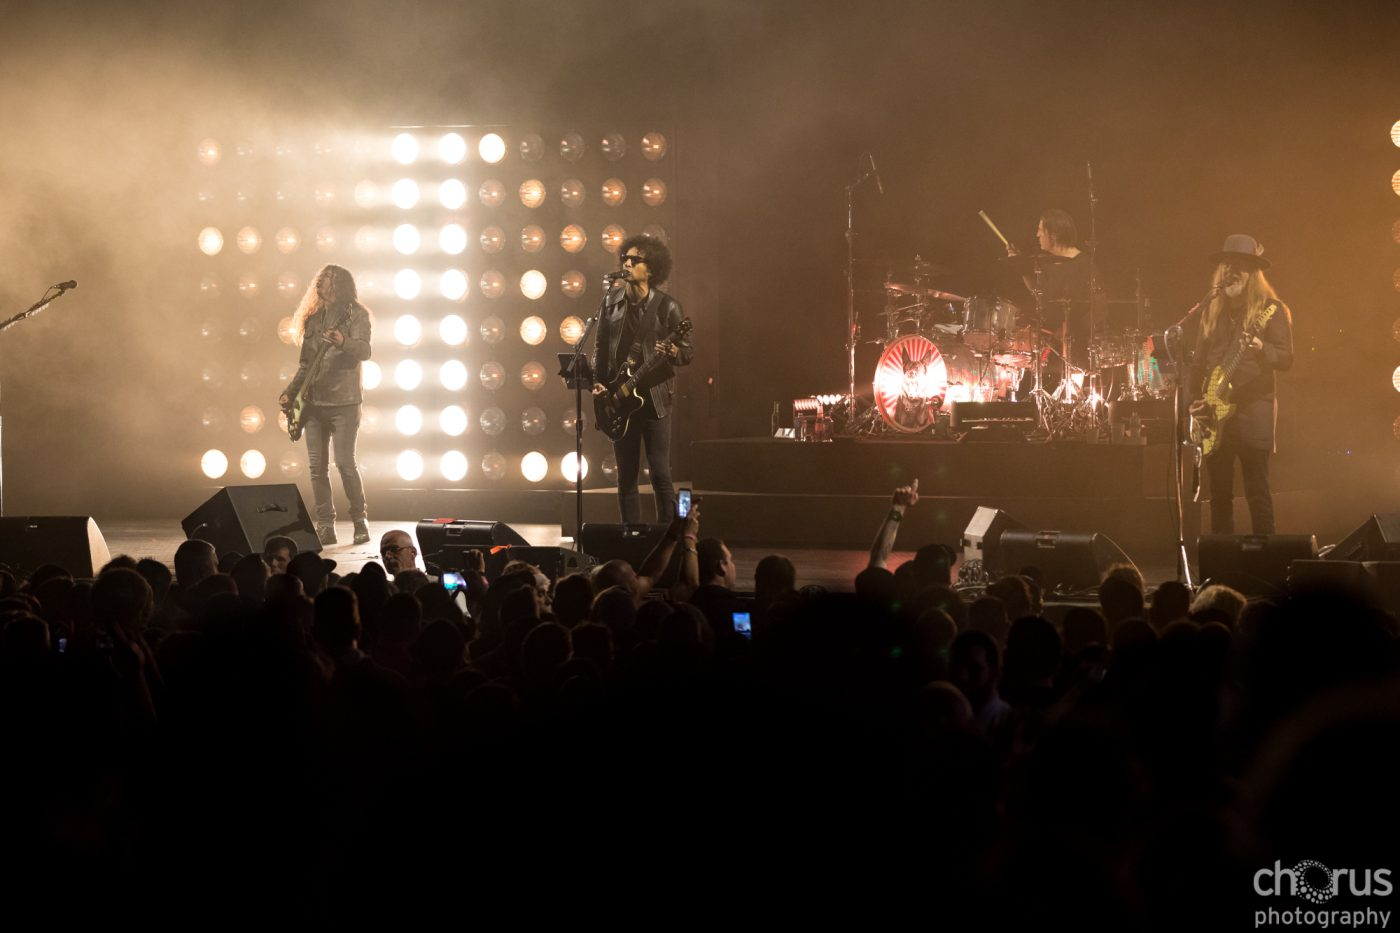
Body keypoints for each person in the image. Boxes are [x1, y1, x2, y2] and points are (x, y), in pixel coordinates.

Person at [1185, 234, 1293, 535]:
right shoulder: (1212, 310)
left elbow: (1286, 359)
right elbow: (1198, 364)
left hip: (1252, 413)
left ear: (1253, 274)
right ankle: (1222, 567)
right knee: (1219, 496)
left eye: (1240, 267)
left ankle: (1266, 567)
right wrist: (1193, 400)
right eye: (1227, 265)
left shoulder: (1271, 310)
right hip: (1213, 417)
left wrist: (1262, 348)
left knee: (1257, 492)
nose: (1231, 271)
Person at [592, 235, 692, 524]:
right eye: (626, 257)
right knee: (626, 475)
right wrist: (599, 384)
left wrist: (673, 350)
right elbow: (600, 347)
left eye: (636, 259)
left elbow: (688, 351)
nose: (628, 262)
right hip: (620, 397)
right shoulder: (611, 303)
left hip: (654, 399)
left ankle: (667, 537)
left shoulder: (667, 307)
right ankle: (630, 538)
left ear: (651, 269)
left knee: (660, 472)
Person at [279, 264, 373, 546]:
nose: (321, 283)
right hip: (314, 403)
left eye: (327, 279)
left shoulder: (357, 314)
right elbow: (305, 364)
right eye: (320, 279)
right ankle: (325, 525)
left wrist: (343, 340)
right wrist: (290, 391)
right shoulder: (314, 319)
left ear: (340, 284)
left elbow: (365, 351)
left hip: (344, 402)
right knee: (316, 467)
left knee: (345, 464)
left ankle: (359, 519)